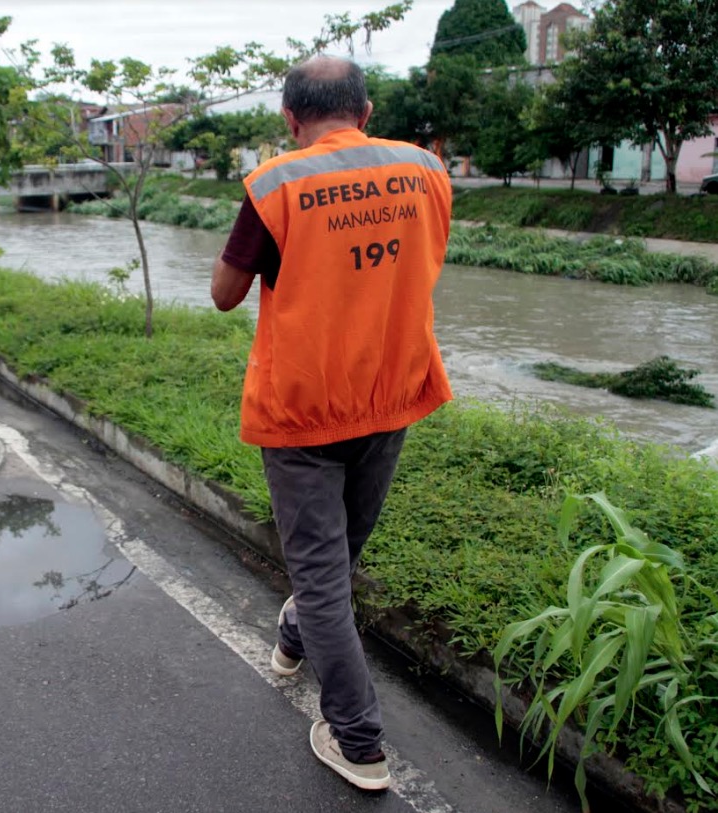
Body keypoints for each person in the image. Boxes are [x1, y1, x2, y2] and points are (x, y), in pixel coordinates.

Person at [210, 55, 453, 791]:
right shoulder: (427, 172)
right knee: (333, 563)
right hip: (392, 392)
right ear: (367, 111)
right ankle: (294, 635)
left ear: (289, 118)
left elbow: (224, 294)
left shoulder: (277, 184)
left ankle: (358, 739)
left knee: (320, 576)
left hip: (306, 409)